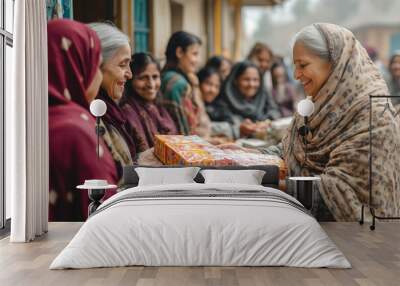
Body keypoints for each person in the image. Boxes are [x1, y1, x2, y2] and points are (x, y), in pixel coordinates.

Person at [260, 23, 400, 221]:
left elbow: (344, 195)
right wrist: (249, 158)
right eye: (295, 65)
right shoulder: (316, 106)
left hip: (355, 243)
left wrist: (272, 186)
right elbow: (289, 151)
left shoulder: (373, 118)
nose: (296, 75)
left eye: (303, 65)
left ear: (334, 63)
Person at [48, 19, 117, 221]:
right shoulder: (76, 131)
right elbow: (105, 217)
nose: (98, 76)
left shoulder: (18, 117)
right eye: (97, 66)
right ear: (77, 67)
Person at [88, 22, 137, 177]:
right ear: (96, 65)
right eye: (122, 65)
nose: (130, 74)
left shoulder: (110, 111)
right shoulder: (90, 115)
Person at [121, 53, 178, 152]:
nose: (151, 84)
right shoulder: (127, 113)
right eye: (143, 78)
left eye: (155, 77)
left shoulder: (158, 107)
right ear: (130, 80)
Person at [160, 31, 211, 138]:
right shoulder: (177, 83)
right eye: (194, 54)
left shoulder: (167, 76)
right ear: (179, 52)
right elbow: (185, 131)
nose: (198, 60)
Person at [218, 61, 281, 139]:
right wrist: (240, 127)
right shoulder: (224, 99)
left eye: (255, 80)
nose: (251, 84)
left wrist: (266, 122)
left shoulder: (263, 94)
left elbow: (275, 111)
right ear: (235, 80)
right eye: (246, 79)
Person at [197, 66, 235, 140]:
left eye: (217, 86)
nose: (212, 90)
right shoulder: (193, 106)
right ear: (199, 82)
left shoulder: (220, 106)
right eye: (208, 84)